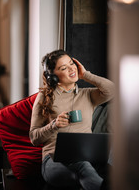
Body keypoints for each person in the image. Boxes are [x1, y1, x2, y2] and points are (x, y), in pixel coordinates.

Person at [29, 49, 114, 190]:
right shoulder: (44, 97)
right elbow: (34, 138)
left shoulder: (88, 95)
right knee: (81, 168)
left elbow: (112, 90)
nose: (71, 69)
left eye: (71, 63)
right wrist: (54, 125)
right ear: (52, 77)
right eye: (63, 68)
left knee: (111, 161)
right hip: (54, 159)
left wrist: (86, 75)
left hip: (86, 156)